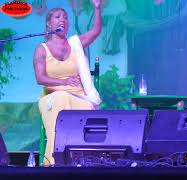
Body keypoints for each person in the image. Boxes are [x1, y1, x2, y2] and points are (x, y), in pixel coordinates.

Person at [33, 0, 103, 166]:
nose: (62, 20)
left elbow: (95, 31)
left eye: (65, 17)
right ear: (49, 24)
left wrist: (97, 8)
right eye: (57, 17)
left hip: (79, 97)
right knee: (61, 98)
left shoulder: (75, 44)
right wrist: (63, 81)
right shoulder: (41, 49)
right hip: (52, 97)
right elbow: (40, 78)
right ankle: (53, 161)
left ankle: (85, 162)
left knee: (89, 107)